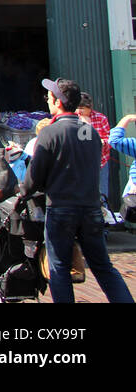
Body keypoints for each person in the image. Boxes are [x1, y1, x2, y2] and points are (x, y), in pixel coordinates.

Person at [22, 78, 133, 303]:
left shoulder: (50, 133)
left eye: (49, 97)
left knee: (60, 268)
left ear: (58, 102)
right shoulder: (90, 132)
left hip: (62, 209)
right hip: (91, 209)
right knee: (103, 266)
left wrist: (23, 191)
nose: (47, 101)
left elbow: (34, 178)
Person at [76, 92, 112, 204]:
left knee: (102, 193)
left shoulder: (101, 118)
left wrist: (103, 142)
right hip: (81, 164)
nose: (79, 111)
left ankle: (104, 216)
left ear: (90, 107)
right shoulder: (74, 118)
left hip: (100, 161)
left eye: (82, 108)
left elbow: (109, 139)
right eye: (77, 108)